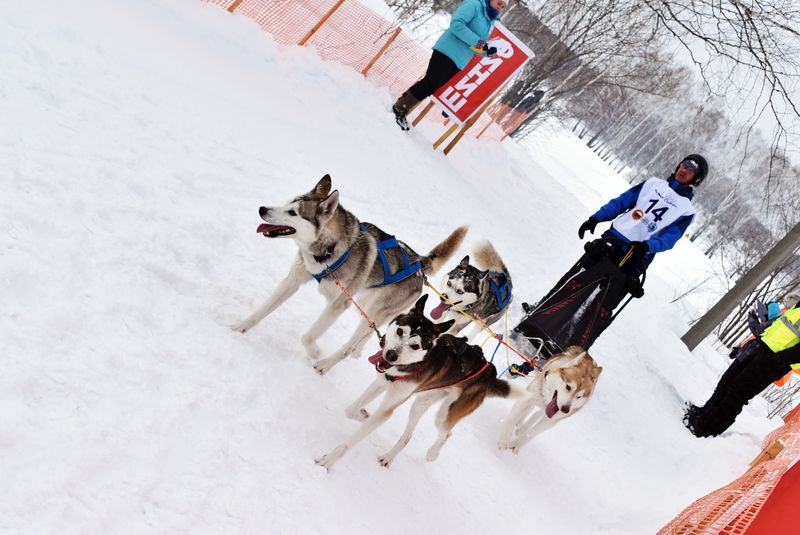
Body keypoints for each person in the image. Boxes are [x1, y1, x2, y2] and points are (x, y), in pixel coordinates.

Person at [509, 154, 708, 376]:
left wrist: (648, 245)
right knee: (577, 280)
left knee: (601, 305)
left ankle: (569, 348)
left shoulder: (686, 210)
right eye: (684, 164)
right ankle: (542, 314)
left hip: (635, 255)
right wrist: (596, 218)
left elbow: (670, 237)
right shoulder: (653, 184)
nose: (684, 169)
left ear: (695, 179)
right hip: (613, 238)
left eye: (691, 169)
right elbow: (623, 201)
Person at [685, 302, 800, 437]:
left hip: (775, 361)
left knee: (738, 393)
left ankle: (708, 429)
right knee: (728, 383)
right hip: (763, 348)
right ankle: (705, 415)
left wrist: (777, 359)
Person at [392, 0, 506, 130]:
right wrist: (479, 43)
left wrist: (487, 52)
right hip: (448, 51)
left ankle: (402, 105)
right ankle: (400, 108)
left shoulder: (489, 21)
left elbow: (475, 44)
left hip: (459, 61)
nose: (500, 7)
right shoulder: (475, 5)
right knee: (430, 84)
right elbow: (457, 24)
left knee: (431, 86)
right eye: (499, 2)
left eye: (503, 6)